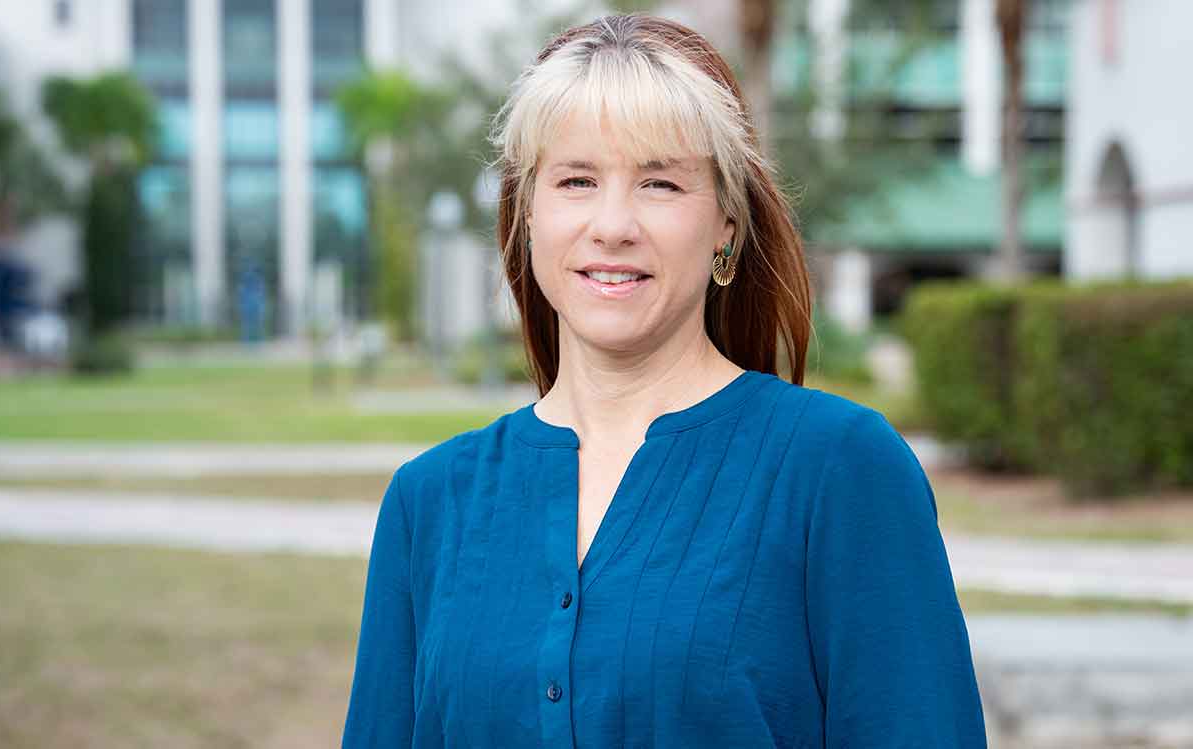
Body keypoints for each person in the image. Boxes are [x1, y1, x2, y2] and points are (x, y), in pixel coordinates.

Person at [342, 13, 987, 748]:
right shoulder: (429, 502)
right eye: (577, 180)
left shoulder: (839, 469)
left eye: (660, 182)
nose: (612, 225)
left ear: (727, 226)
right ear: (527, 216)